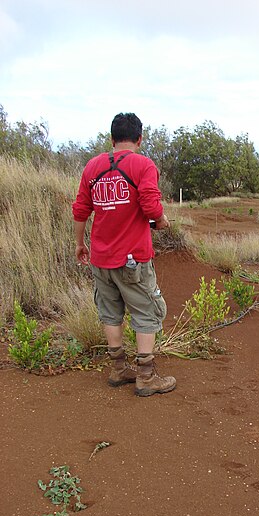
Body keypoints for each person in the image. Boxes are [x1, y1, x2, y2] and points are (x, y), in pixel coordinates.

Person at [72, 112, 176, 397]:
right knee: (145, 310)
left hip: (100, 258)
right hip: (133, 259)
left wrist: (80, 244)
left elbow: (81, 208)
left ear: (112, 138)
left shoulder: (92, 167)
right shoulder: (143, 165)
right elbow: (151, 207)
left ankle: (118, 369)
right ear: (139, 138)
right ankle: (145, 377)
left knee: (110, 312)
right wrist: (162, 221)